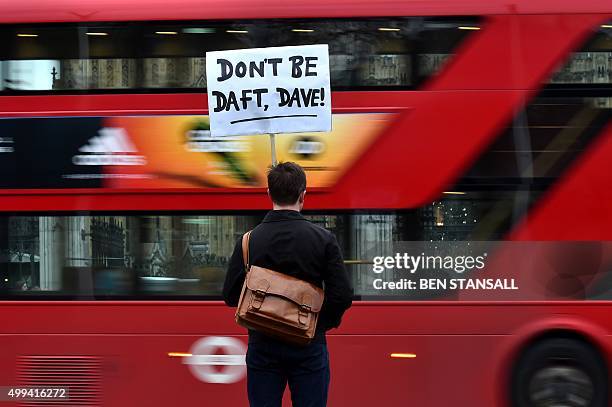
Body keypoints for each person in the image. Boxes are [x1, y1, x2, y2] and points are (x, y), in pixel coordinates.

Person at [223, 161, 353, 407]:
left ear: (269, 193)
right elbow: (342, 295)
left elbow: (230, 295)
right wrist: (317, 325)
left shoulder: (248, 241)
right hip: (308, 345)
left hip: (262, 344)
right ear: (303, 195)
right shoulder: (324, 239)